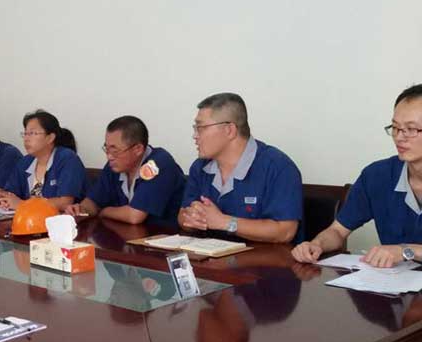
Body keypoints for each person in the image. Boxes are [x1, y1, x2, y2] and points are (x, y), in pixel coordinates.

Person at [292, 84, 422, 267]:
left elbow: (404, 251)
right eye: (395, 127)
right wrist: (316, 244)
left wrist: (406, 251)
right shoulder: (377, 176)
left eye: (411, 129)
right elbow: (338, 231)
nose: (399, 137)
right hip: (394, 281)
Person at [179, 92, 303, 243]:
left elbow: (285, 232)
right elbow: (182, 215)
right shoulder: (200, 167)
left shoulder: (278, 167)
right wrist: (191, 218)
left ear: (229, 130)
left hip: (263, 257)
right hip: (209, 255)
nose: (195, 136)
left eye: (201, 128)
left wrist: (224, 222)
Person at [66, 115, 185, 225]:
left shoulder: (159, 163)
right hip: (129, 235)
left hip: (166, 235)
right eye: (107, 149)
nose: (109, 156)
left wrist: (104, 211)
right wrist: (80, 210)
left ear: (138, 149)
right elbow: (93, 201)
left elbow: (134, 216)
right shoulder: (114, 165)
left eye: (115, 151)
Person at [0, 110, 86, 212]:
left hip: (62, 220)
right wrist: (6, 200)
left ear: (50, 138)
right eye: (25, 133)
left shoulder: (67, 159)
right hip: (28, 219)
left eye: (32, 133)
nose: (26, 139)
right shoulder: (25, 162)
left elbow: (65, 203)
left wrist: (23, 204)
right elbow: (10, 194)